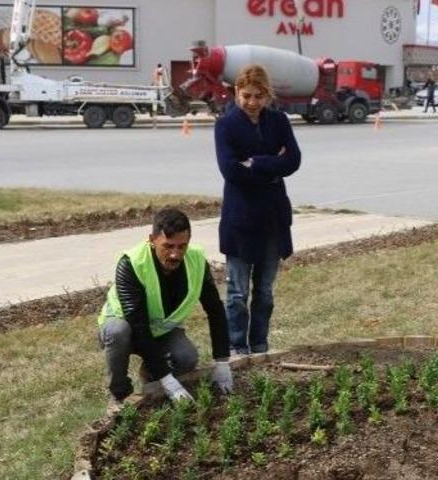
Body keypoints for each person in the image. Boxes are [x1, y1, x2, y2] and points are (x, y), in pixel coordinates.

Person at [97, 208, 233, 410]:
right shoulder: (132, 263)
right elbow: (139, 326)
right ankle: (119, 394)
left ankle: (151, 382)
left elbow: (215, 310)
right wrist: (168, 380)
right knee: (118, 332)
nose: (175, 254)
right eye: (168, 246)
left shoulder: (196, 261)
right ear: (152, 240)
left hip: (160, 331)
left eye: (182, 246)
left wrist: (222, 361)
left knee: (187, 357)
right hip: (127, 326)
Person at [214, 64, 301, 356]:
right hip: (241, 220)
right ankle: (237, 346)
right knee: (237, 293)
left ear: (268, 95)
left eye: (259, 96)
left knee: (264, 292)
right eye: (246, 95)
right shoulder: (225, 125)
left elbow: (294, 160)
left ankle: (260, 345)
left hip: (273, 219)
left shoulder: (279, 121)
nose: (252, 102)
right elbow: (230, 170)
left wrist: (256, 163)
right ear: (236, 92)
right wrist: (273, 166)